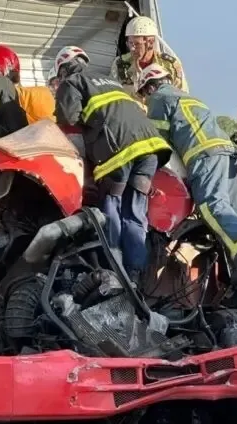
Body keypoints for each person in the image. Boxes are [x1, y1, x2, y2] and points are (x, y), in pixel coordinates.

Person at [137, 64, 237, 286]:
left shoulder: (159, 98)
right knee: (235, 219)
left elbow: (155, 142)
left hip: (205, 157)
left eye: (143, 95)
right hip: (229, 158)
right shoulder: (191, 99)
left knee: (211, 206)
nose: (145, 100)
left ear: (149, 88)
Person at [53, 45, 172, 282]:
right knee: (136, 212)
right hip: (150, 151)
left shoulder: (73, 81)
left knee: (111, 207)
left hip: (119, 151)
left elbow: (67, 119)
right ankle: (136, 273)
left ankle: (113, 270)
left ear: (63, 69)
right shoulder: (110, 81)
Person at [110, 16, 187, 97]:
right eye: (130, 43)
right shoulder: (119, 64)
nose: (132, 48)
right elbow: (111, 92)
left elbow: (182, 96)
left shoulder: (170, 66)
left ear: (150, 42)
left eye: (137, 44)